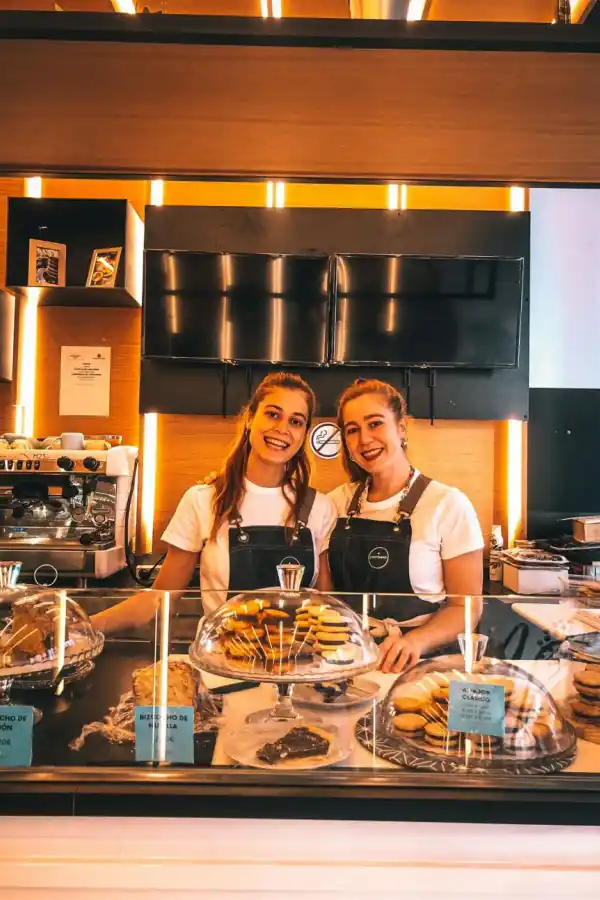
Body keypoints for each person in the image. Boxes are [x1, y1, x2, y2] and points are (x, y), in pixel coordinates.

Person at [93, 373, 336, 634]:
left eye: (296, 421)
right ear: (250, 418)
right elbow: (160, 600)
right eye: (273, 414)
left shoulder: (320, 508)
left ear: (303, 435)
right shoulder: (204, 500)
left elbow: (328, 610)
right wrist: (84, 626)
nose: (282, 428)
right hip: (225, 663)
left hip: (298, 665)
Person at [317, 378, 484, 674]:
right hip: (348, 663)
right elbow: (327, 598)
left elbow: (467, 608)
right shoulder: (334, 503)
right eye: (352, 430)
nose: (364, 439)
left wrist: (416, 641)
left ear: (402, 428)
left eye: (375, 424)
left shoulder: (447, 504)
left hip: (421, 665)